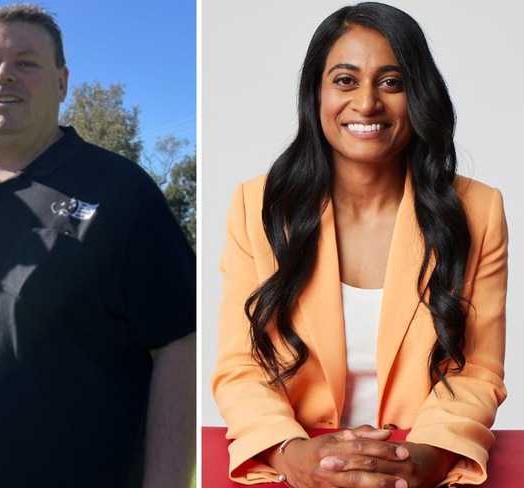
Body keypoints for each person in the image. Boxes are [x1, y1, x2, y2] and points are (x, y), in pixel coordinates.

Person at [0, 4, 195, 487]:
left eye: (26, 63)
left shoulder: (119, 192)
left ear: (63, 83)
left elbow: (181, 340)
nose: (5, 76)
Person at [211, 2, 507, 487]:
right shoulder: (257, 206)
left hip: (420, 463)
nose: (367, 103)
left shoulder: (478, 211)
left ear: (418, 95)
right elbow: (241, 366)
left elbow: (477, 369)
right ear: (316, 94)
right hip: (299, 463)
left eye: (391, 82)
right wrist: (292, 455)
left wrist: (423, 459)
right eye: (345, 80)